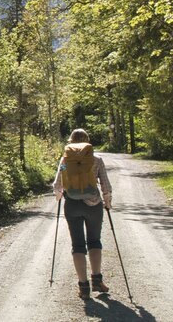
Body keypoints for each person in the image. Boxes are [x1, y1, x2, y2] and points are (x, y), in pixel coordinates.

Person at [53, 128, 112, 299]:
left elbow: (57, 186)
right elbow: (106, 186)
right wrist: (107, 202)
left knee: (77, 245)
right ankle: (97, 280)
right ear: (88, 142)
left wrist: (59, 198)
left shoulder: (65, 159)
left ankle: (83, 287)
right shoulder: (97, 159)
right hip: (93, 205)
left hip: (72, 205)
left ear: (71, 141)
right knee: (94, 241)